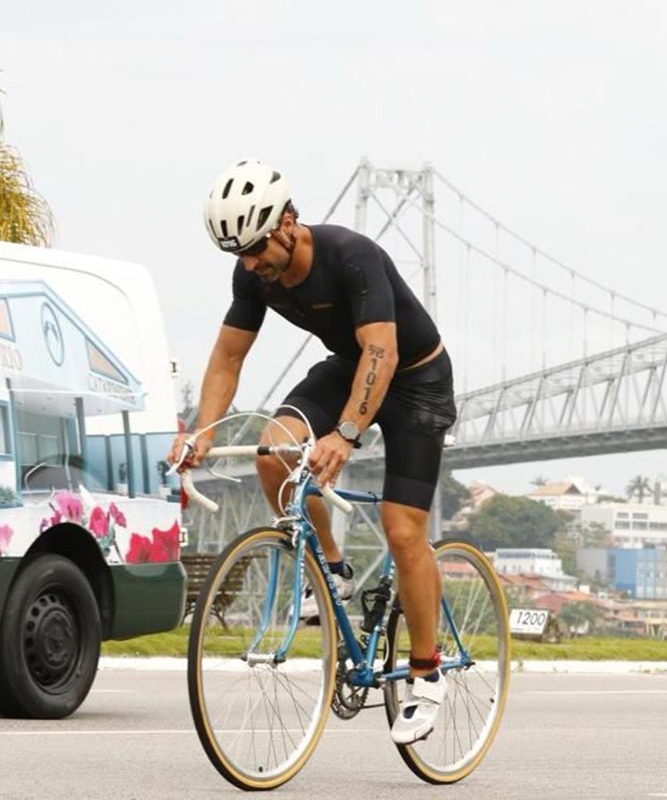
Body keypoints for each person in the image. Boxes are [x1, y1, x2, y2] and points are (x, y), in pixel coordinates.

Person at [169, 157, 456, 745]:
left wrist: (345, 434)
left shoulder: (352, 256)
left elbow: (383, 353)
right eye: (238, 255)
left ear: (287, 222)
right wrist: (203, 430)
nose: (251, 264)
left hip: (416, 381)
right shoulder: (252, 275)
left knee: (402, 530)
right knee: (273, 453)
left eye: (256, 249)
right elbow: (228, 356)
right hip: (349, 366)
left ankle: (428, 674)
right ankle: (332, 570)